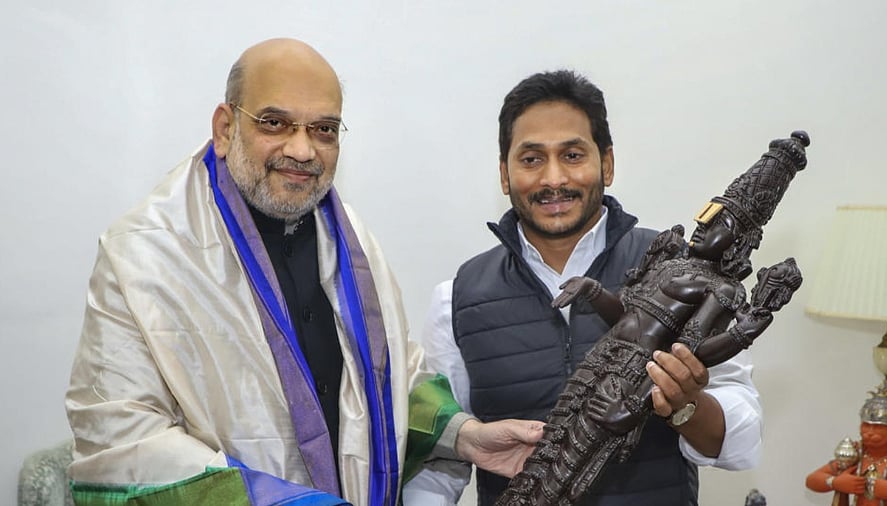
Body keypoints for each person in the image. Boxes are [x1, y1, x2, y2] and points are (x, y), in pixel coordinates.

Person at [64, 38, 542, 506]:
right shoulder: (144, 253)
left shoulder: (349, 238)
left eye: (324, 129)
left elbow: (386, 380)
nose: (302, 149)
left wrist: (463, 436)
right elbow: (119, 442)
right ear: (226, 127)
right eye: (275, 123)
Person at [417, 70, 764, 505]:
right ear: (504, 175)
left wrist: (685, 404)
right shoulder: (457, 297)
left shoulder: (683, 274)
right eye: (531, 159)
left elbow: (740, 439)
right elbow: (443, 456)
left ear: (608, 164)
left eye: (573, 155)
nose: (554, 179)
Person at [806, 395, 887, 506]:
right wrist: (834, 482)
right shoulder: (854, 456)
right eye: (866, 425)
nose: (870, 432)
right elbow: (811, 480)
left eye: (877, 427)